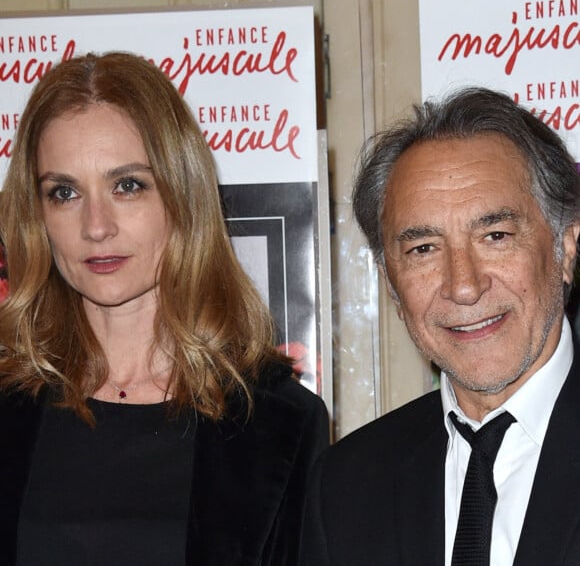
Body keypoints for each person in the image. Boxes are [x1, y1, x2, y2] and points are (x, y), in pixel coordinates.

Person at [0, 51, 329, 566]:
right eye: (63, 192)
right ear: (35, 215)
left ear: (182, 196)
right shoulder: (7, 399)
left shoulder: (276, 420)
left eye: (127, 185)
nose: (96, 226)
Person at [300, 87, 580, 566]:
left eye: (495, 236)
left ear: (566, 249)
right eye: (423, 249)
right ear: (389, 280)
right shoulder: (347, 486)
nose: (464, 286)